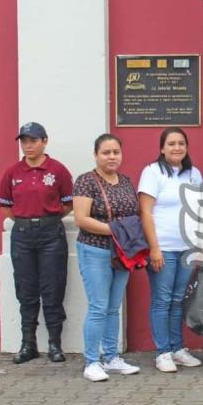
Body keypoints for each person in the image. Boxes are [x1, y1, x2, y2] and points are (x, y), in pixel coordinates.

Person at [0, 122, 73, 364]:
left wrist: (46, 219)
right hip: (22, 236)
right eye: (24, 141)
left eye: (33, 140)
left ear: (45, 141)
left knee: (53, 288)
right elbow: (5, 206)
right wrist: (26, 220)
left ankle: (54, 344)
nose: (28, 145)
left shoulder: (58, 170)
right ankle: (28, 343)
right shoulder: (13, 172)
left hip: (51, 234)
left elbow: (68, 203)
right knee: (26, 289)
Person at [73, 134, 140, 382]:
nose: (111, 157)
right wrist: (117, 230)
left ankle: (111, 358)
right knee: (99, 306)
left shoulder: (125, 181)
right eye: (106, 152)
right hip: (95, 249)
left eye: (115, 152)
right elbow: (82, 219)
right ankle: (92, 361)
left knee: (113, 307)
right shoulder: (86, 181)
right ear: (96, 155)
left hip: (122, 252)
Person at [138, 127, 203, 373]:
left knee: (178, 301)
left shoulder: (194, 174)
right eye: (171, 144)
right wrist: (154, 248)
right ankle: (162, 352)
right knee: (162, 300)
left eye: (181, 144)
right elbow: (145, 211)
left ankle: (177, 349)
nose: (177, 148)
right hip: (163, 248)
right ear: (162, 148)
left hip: (186, 248)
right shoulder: (152, 172)